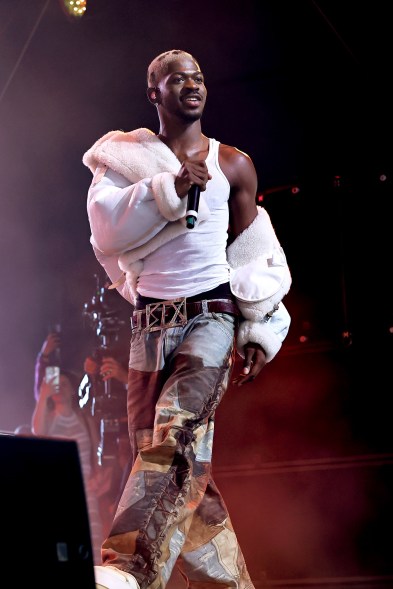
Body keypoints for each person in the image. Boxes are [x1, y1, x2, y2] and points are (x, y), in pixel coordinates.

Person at [83, 49, 292, 589]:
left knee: (173, 440)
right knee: (173, 468)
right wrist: (170, 188)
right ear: (155, 92)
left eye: (198, 76)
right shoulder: (124, 160)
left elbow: (255, 253)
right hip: (149, 327)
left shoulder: (232, 164)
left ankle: (127, 568)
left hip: (211, 318)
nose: (192, 84)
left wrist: (259, 327)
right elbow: (106, 230)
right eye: (177, 78)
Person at [32, 334, 110, 565]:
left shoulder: (84, 418)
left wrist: (101, 477)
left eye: (65, 384)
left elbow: (99, 454)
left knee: (92, 550)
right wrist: (44, 389)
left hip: (87, 494)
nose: (61, 387)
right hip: (56, 494)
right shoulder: (48, 418)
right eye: (57, 384)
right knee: (60, 550)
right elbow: (37, 432)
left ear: (72, 390)